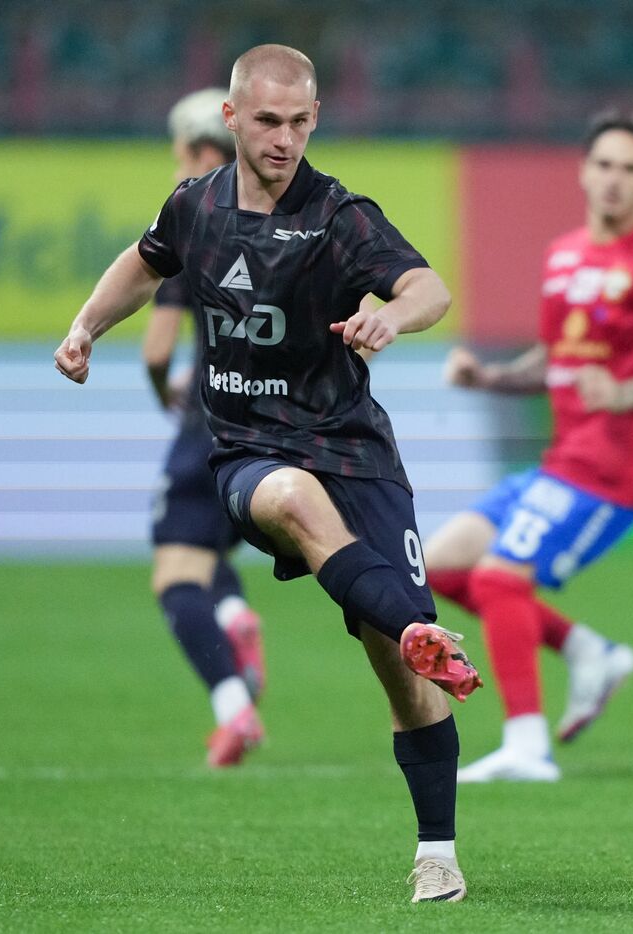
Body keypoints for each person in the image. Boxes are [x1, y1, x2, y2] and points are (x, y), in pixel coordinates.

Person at [55, 44, 481, 904]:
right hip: (249, 453)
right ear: (232, 120)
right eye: (267, 122)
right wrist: (85, 326)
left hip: (356, 451)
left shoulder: (339, 215)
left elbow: (430, 288)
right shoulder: (196, 206)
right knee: (290, 497)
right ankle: (414, 626)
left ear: (314, 119)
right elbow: (143, 262)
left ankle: (437, 851)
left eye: (299, 123)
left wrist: (392, 318)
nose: (284, 140)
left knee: (394, 667)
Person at [426, 111, 633, 783]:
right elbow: (555, 356)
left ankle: (526, 744)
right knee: (441, 567)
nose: (615, 181)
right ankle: (588, 651)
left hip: (616, 468)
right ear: (584, 172)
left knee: (501, 577)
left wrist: (624, 395)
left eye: (631, 170)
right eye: (605, 166)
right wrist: (493, 377)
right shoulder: (564, 253)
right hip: (564, 460)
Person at [142, 88, 268, 768]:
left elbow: (158, 350)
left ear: (197, 150)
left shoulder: (191, 222)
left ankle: (231, 703)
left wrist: (165, 391)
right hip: (278, 434)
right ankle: (231, 612)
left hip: (207, 426)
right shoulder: (291, 217)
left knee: (174, 573)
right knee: (213, 555)